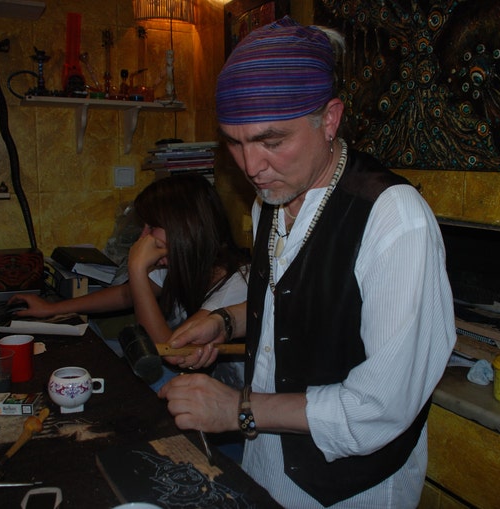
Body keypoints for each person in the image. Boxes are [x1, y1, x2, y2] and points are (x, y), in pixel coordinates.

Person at [156, 17, 456, 508]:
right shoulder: (271, 200)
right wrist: (225, 321)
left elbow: (381, 406)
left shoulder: (395, 220)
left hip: (349, 490)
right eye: (234, 142)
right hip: (267, 458)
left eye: (272, 141)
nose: (251, 167)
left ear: (330, 119)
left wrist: (240, 408)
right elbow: (299, 300)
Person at [9, 174, 250, 390]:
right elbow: (126, 295)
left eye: (152, 226)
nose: (143, 237)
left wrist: (137, 269)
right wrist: (52, 308)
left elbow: (172, 351)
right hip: (186, 377)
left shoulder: (238, 282)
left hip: (224, 397)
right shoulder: (182, 262)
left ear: (184, 226)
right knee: (89, 344)